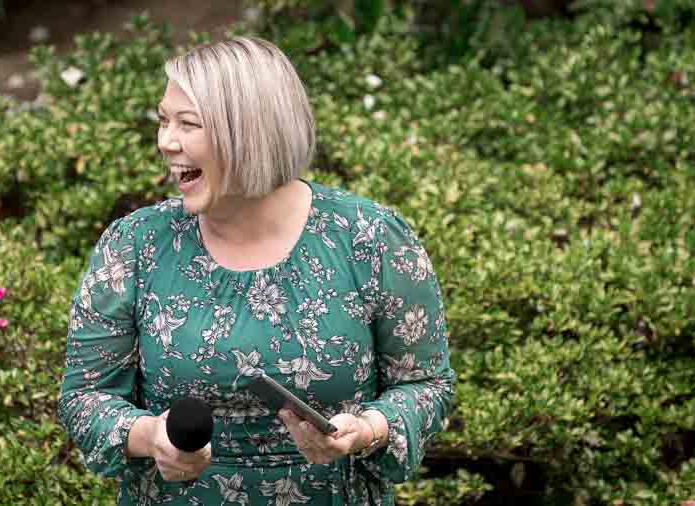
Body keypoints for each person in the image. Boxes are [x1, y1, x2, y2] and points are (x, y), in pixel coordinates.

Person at [58, 36, 456, 505]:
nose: (166, 141)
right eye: (164, 121)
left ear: (250, 131)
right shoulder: (136, 245)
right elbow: (84, 398)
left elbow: (427, 385)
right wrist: (149, 435)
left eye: (188, 124)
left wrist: (368, 429)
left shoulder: (369, 238)